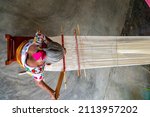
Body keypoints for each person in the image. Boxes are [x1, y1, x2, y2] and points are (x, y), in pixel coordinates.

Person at [16, 31, 65, 100]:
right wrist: (52, 93)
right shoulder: (37, 69)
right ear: (48, 61)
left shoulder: (39, 45)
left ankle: (53, 51)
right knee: (39, 77)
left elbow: (39, 33)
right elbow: (39, 83)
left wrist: (54, 48)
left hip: (25, 46)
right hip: (20, 57)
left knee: (36, 47)